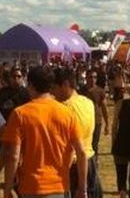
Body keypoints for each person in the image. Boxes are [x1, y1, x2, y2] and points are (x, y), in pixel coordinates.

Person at [2, 66, 88, 198]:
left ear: (30, 85)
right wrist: (82, 188)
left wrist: (7, 188)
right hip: (60, 186)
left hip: (31, 187)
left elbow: (13, 156)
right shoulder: (68, 114)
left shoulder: (20, 114)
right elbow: (81, 153)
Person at [53, 67, 103, 198]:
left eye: (55, 88)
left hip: (74, 166)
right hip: (90, 160)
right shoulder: (88, 102)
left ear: (65, 85)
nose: (53, 93)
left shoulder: (64, 108)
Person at [80, 70, 109, 157]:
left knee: (94, 144)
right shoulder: (81, 91)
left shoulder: (100, 91)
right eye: (91, 77)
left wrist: (107, 124)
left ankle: (94, 163)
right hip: (83, 121)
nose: (93, 79)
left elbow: (104, 107)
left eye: (95, 77)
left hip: (96, 121)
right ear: (86, 78)